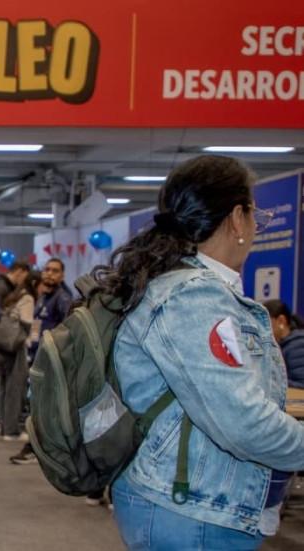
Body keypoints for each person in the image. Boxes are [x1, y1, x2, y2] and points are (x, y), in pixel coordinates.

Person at [96, 155, 304, 548]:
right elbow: (243, 423)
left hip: (188, 502)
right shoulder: (195, 298)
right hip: (194, 511)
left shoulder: (181, 288)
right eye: (255, 215)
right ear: (237, 218)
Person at [9, 257, 73, 466]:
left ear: (62, 275)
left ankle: (35, 448)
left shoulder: (63, 299)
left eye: (55, 271)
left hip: (52, 362)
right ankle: (39, 447)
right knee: (38, 405)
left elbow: (68, 330)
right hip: (37, 357)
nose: (49, 274)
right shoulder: (44, 297)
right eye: (47, 270)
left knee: (44, 407)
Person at [0, 270, 41, 440]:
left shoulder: (15, 295)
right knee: (15, 388)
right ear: (35, 284)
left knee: (4, 386)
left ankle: (4, 427)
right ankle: (11, 430)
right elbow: (27, 323)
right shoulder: (28, 298)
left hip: (2, 344)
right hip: (16, 346)